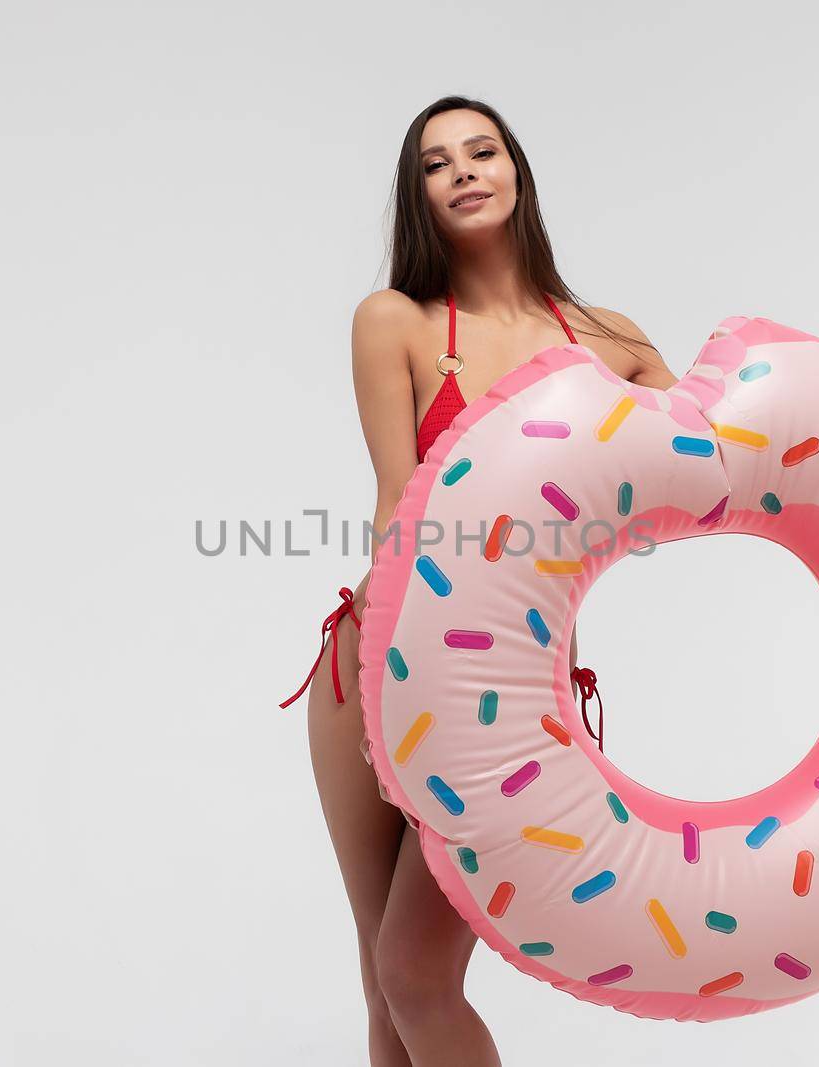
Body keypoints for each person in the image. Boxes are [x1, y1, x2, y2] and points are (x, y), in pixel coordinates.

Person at [278, 95, 678, 1066]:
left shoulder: (610, 342)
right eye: (435, 163)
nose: (462, 170)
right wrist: (391, 637)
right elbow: (395, 499)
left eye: (482, 150)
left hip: (515, 694)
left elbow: (698, 487)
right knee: (386, 984)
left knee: (418, 971)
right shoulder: (397, 321)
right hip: (372, 661)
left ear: (517, 170)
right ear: (417, 197)